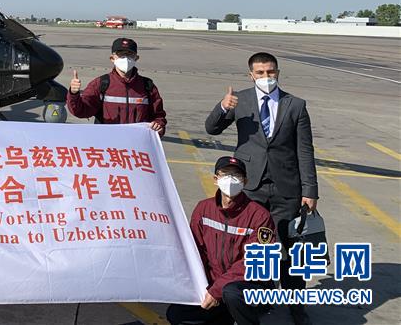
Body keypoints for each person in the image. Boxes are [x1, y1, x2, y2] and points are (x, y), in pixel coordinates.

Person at [205, 52, 318, 325]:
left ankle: (295, 303)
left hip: (285, 188)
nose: (266, 77)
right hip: (249, 186)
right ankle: (256, 299)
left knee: (288, 249)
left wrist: (310, 190)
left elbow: (305, 150)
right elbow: (212, 128)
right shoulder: (239, 100)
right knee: (251, 249)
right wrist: (222, 107)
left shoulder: (296, 105)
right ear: (250, 75)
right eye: (260, 73)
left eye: (271, 72)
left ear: (278, 72)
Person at [167, 156, 275, 325]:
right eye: (225, 174)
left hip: (247, 286)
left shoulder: (260, 216)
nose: (230, 180)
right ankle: (224, 316)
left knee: (231, 293)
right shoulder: (203, 209)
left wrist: (216, 290)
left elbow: (254, 261)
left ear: (245, 181)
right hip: (214, 285)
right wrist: (199, 286)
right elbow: (196, 250)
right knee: (175, 314)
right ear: (216, 179)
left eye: (236, 175)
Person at [67, 37, 167, 135]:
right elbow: (81, 111)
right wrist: (74, 94)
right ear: (112, 58)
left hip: (137, 145)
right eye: (121, 55)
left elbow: (158, 115)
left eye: (130, 54)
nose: (126, 59)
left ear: (136, 58)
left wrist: (159, 126)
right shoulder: (101, 83)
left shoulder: (147, 86)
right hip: (109, 145)